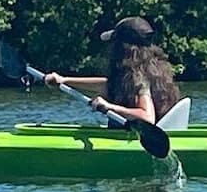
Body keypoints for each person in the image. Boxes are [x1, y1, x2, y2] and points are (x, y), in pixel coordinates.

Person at [43, 16, 181, 125]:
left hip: (140, 141)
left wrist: (110, 107)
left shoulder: (137, 77)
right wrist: (63, 80)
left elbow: (147, 117)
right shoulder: (151, 70)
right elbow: (108, 85)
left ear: (122, 47)